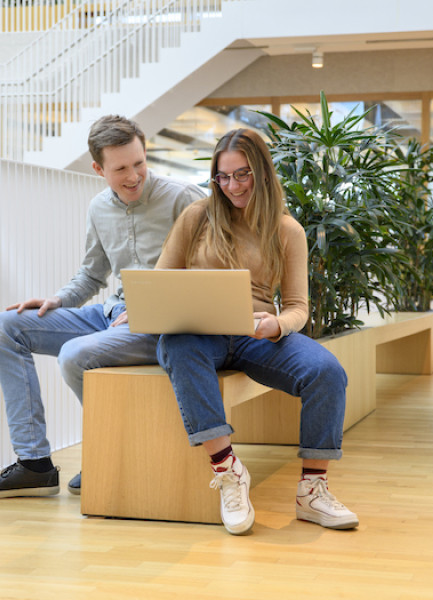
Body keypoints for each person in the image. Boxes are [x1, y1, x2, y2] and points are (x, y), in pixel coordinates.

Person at [0, 115, 207, 499]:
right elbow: (92, 275)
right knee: (6, 326)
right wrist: (57, 300)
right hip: (114, 314)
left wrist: (156, 309)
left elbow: (212, 273)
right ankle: (34, 465)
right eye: (121, 168)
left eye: (139, 163)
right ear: (98, 169)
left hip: (162, 324)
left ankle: (111, 453)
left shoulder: (184, 198)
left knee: (75, 354)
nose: (134, 176)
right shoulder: (98, 208)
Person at [155, 128, 358, 535]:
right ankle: (228, 471)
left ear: (263, 173)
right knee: (177, 345)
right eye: (223, 177)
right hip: (199, 333)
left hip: (257, 334)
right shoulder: (197, 216)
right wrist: (144, 308)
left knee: (327, 372)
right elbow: (163, 279)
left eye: (242, 174)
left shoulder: (288, 230)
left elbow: (299, 308)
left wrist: (276, 325)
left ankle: (312, 490)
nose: (232, 186)